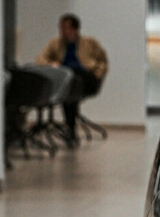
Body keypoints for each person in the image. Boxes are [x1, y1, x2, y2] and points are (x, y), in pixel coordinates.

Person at [36, 13, 108, 141]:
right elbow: (41, 59)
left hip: (86, 77)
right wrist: (52, 64)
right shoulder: (55, 43)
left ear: (75, 29)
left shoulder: (90, 43)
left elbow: (102, 61)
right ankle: (70, 127)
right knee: (68, 86)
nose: (63, 31)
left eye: (66, 28)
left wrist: (98, 74)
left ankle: (70, 126)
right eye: (61, 27)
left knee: (71, 82)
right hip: (66, 79)